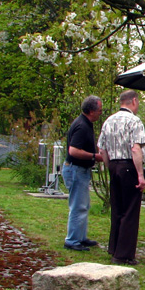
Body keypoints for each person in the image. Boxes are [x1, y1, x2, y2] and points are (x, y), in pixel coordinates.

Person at [97, 90, 145, 265]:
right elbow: (135, 149)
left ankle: (114, 247)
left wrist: (109, 166)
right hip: (129, 167)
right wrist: (140, 175)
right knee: (130, 212)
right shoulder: (135, 121)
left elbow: (102, 149)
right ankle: (124, 254)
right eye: (138, 102)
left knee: (117, 209)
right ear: (133, 101)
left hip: (114, 166)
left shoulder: (108, 121)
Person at [62, 95, 104, 251]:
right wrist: (95, 156)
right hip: (76, 169)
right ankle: (72, 240)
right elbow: (73, 151)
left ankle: (81, 237)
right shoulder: (82, 125)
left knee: (83, 205)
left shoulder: (86, 123)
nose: (101, 113)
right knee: (78, 206)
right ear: (91, 110)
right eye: (99, 110)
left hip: (80, 170)